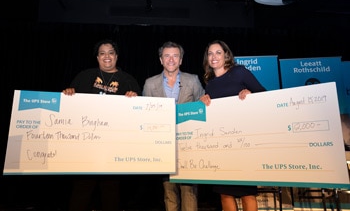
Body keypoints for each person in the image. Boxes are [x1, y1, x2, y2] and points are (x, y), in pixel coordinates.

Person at [63, 39, 141, 211]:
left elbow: (138, 116)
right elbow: (69, 107)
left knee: (111, 194)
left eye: (111, 52)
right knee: (80, 193)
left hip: (113, 150)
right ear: (97, 57)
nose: (107, 56)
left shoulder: (128, 80)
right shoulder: (84, 76)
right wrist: (68, 94)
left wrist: (134, 100)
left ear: (117, 56)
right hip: (85, 149)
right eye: (102, 53)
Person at [199, 40, 266, 211]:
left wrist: (250, 94)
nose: (214, 57)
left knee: (247, 193)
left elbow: (264, 94)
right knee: (225, 194)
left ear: (226, 55)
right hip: (221, 145)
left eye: (218, 52)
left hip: (243, 144)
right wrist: (203, 101)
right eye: (210, 53)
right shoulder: (210, 84)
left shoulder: (240, 72)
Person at [142, 41, 205, 211]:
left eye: (175, 55)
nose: (171, 59)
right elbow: (144, 117)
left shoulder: (192, 80)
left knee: (189, 192)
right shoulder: (150, 84)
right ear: (161, 60)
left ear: (181, 60)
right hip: (163, 148)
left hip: (188, 146)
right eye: (167, 56)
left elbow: (203, 106)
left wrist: (205, 101)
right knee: (169, 194)